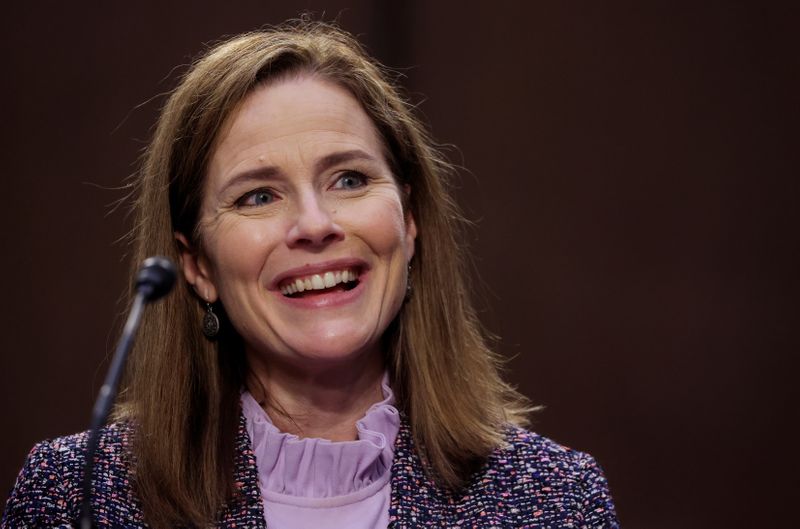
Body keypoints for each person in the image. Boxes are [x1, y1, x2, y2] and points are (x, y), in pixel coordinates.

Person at [2, 20, 619, 528]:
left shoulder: (553, 500)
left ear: (408, 223)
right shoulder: (79, 496)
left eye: (349, 179)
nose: (314, 223)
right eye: (257, 196)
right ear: (197, 266)